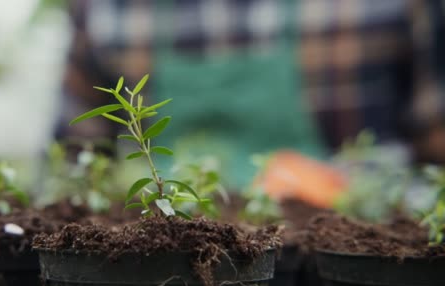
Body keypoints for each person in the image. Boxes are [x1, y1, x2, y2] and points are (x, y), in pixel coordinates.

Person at [54, 0, 445, 187]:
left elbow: (436, 149)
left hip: (353, 263)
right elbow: (73, 166)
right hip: (170, 258)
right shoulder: (108, 10)